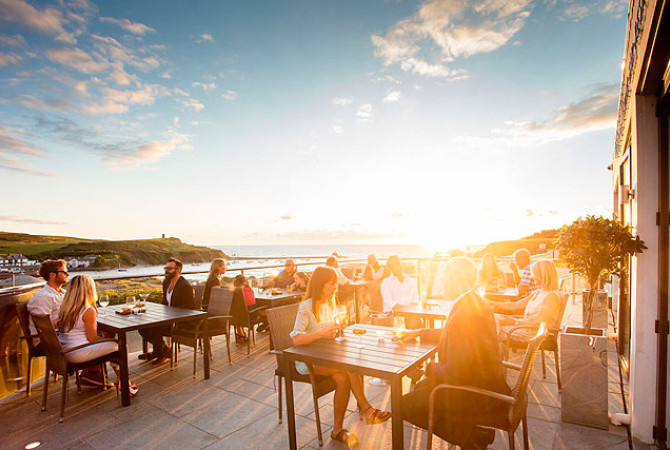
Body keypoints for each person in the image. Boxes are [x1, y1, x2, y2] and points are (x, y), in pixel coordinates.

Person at [395, 257, 509, 449]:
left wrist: (427, 368)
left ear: (455, 279)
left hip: (474, 392)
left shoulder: (465, 313)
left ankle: (471, 439)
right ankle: (474, 434)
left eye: (445, 277)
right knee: (421, 389)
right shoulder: (473, 302)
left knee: (400, 405)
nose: (442, 282)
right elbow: (455, 333)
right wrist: (419, 333)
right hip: (485, 382)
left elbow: (456, 374)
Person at [290, 266, 391, 446]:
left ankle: (337, 430)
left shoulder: (330, 302)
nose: (336, 288)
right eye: (332, 284)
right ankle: (367, 410)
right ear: (321, 284)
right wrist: (320, 334)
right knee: (348, 366)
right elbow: (296, 339)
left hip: (327, 357)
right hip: (309, 361)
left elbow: (330, 329)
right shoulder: (306, 307)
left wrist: (339, 327)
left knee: (344, 377)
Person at [57, 275, 138, 396]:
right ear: (90, 289)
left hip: (65, 350)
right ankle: (124, 383)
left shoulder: (65, 307)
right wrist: (103, 337)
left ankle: (104, 377)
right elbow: (92, 339)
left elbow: (78, 331)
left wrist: (102, 336)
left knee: (111, 340)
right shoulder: (87, 310)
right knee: (119, 346)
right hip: (77, 353)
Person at [138, 257, 195, 364]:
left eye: (169, 268)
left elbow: (190, 308)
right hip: (167, 317)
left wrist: (170, 313)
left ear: (177, 270)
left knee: (155, 327)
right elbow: (165, 302)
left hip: (180, 320)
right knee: (142, 327)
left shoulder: (185, 286)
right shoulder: (166, 283)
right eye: (165, 268)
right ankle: (164, 350)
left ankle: (159, 352)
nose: (166, 270)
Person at [489, 259, 561, 340]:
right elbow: (515, 305)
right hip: (524, 327)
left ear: (543, 275)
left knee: (491, 329)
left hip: (533, 334)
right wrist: (490, 303)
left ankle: (490, 350)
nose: (532, 277)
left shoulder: (551, 297)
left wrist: (514, 322)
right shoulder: (538, 292)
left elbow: (541, 324)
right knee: (495, 317)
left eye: (534, 274)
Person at [27, 259, 68, 342]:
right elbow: (45, 327)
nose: (67, 274)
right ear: (52, 275)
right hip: (49, 342)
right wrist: (72, 319)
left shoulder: (64, 293)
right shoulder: (42, 298)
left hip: (63, 335)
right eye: (64, 272)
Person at [232, 274, 265, 341]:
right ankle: (266, 326)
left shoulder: (234, 291)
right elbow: (252, 305)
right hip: (249, 317)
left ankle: (241, 334)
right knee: (268, 311)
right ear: (245, 282)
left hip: (237, 318)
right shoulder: (248, 290)